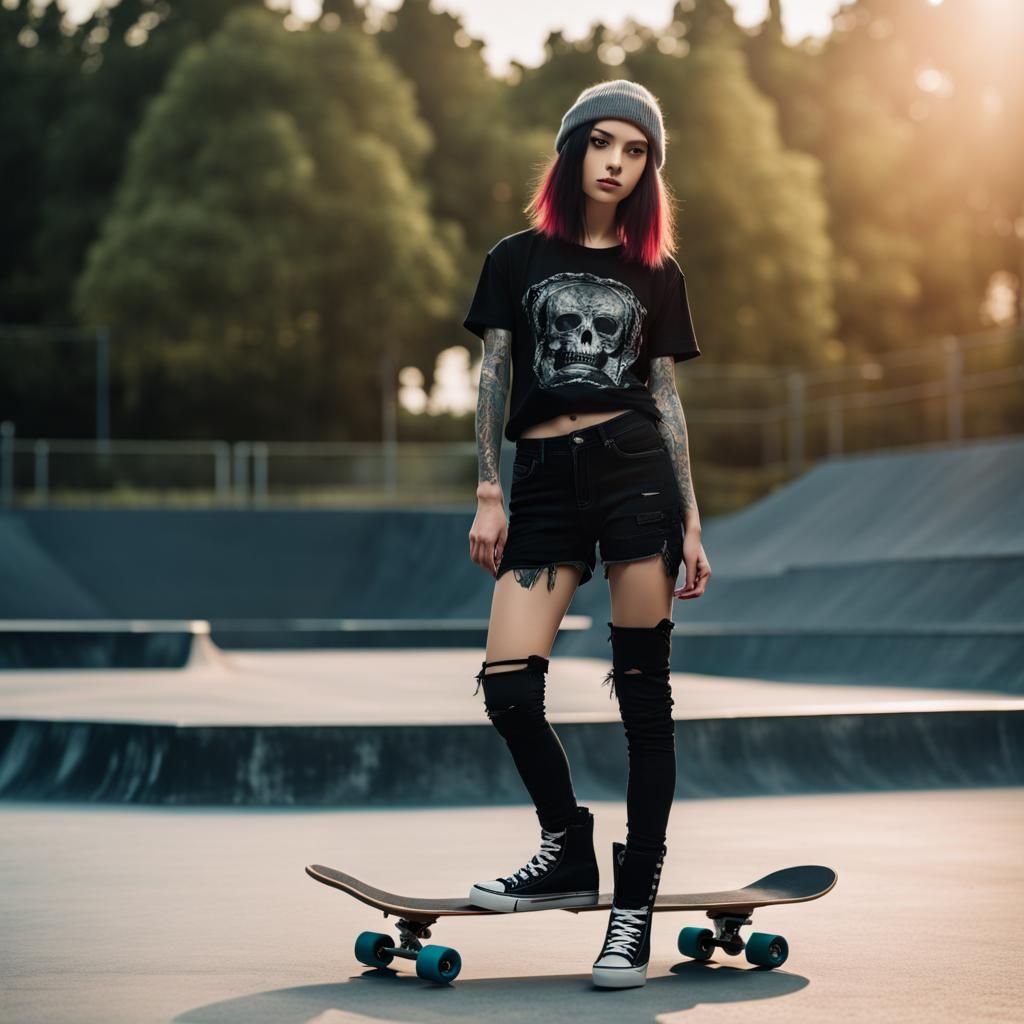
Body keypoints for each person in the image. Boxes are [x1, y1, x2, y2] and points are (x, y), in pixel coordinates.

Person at [462, 79, 712, 990]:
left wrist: (689, 518)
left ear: (649, 167)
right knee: (507, 687)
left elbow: (666, 398)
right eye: (602, 143)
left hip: (634, 471)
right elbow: (494, 372)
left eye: (635, 150)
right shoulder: (517, 258)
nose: (617, 161)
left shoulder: (657, 271)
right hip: (542, 484)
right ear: (571, 151)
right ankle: (567, 842)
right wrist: (491, 486)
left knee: (644, 700)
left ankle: (631, 913)